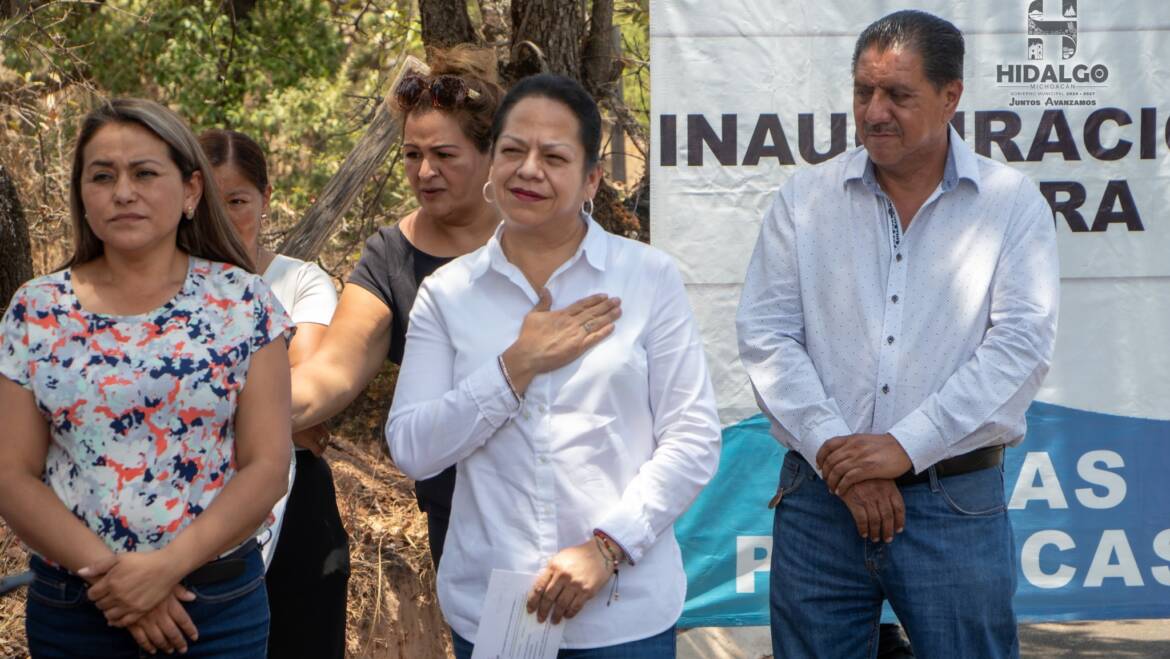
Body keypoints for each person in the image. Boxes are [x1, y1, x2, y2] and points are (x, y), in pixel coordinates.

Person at [736, 10, 1060, 659]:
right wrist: (845, 459)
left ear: (951, 97)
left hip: (953, 505)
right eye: (863, 92)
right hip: (821, 500)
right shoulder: (805, 201)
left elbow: (1018, 350)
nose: (874, 111)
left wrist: (904, 447)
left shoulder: (1010, 204)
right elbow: (767, 335)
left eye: (897, 95)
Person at [386, 73, 722, 658]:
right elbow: (413, 447)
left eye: (554, 156)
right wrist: (516, 365)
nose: (528, 169)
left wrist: (608, 547)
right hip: (498, 611)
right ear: (492, 163)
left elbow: (692, 437)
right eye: (513, 150)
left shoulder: (647, 279)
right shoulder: (448, 294)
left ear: (592, 177)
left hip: (623, 611)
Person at [0, 98, 293, 658]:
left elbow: (268, 466)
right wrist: (119, 581)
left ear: (189, 192)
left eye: (144, 173)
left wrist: (165, 570)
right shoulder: (37, 309)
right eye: (102, 176)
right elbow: (12, 474)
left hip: (216, 609)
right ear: (82, 195)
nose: (123, 191)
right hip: (77, 610)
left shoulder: (243, 301)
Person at [289, 47, 503, 569]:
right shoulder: (391, 256)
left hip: (570, 508)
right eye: (412, 155)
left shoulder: (544, 239)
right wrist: (223, 406)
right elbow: (330, 374)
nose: (425, 171)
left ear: (494, 154)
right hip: (457, 516)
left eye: (445, 155)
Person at [198, 128, 346, 659]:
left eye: (236, 200)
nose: (222, 216)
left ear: (265, 197)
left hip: (297, 500)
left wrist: (196, 404)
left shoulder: (302, 282)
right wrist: (275, 407)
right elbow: (287, 408)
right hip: (191, 501)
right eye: (210, 201)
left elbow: (306, 388)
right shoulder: (162, 287)